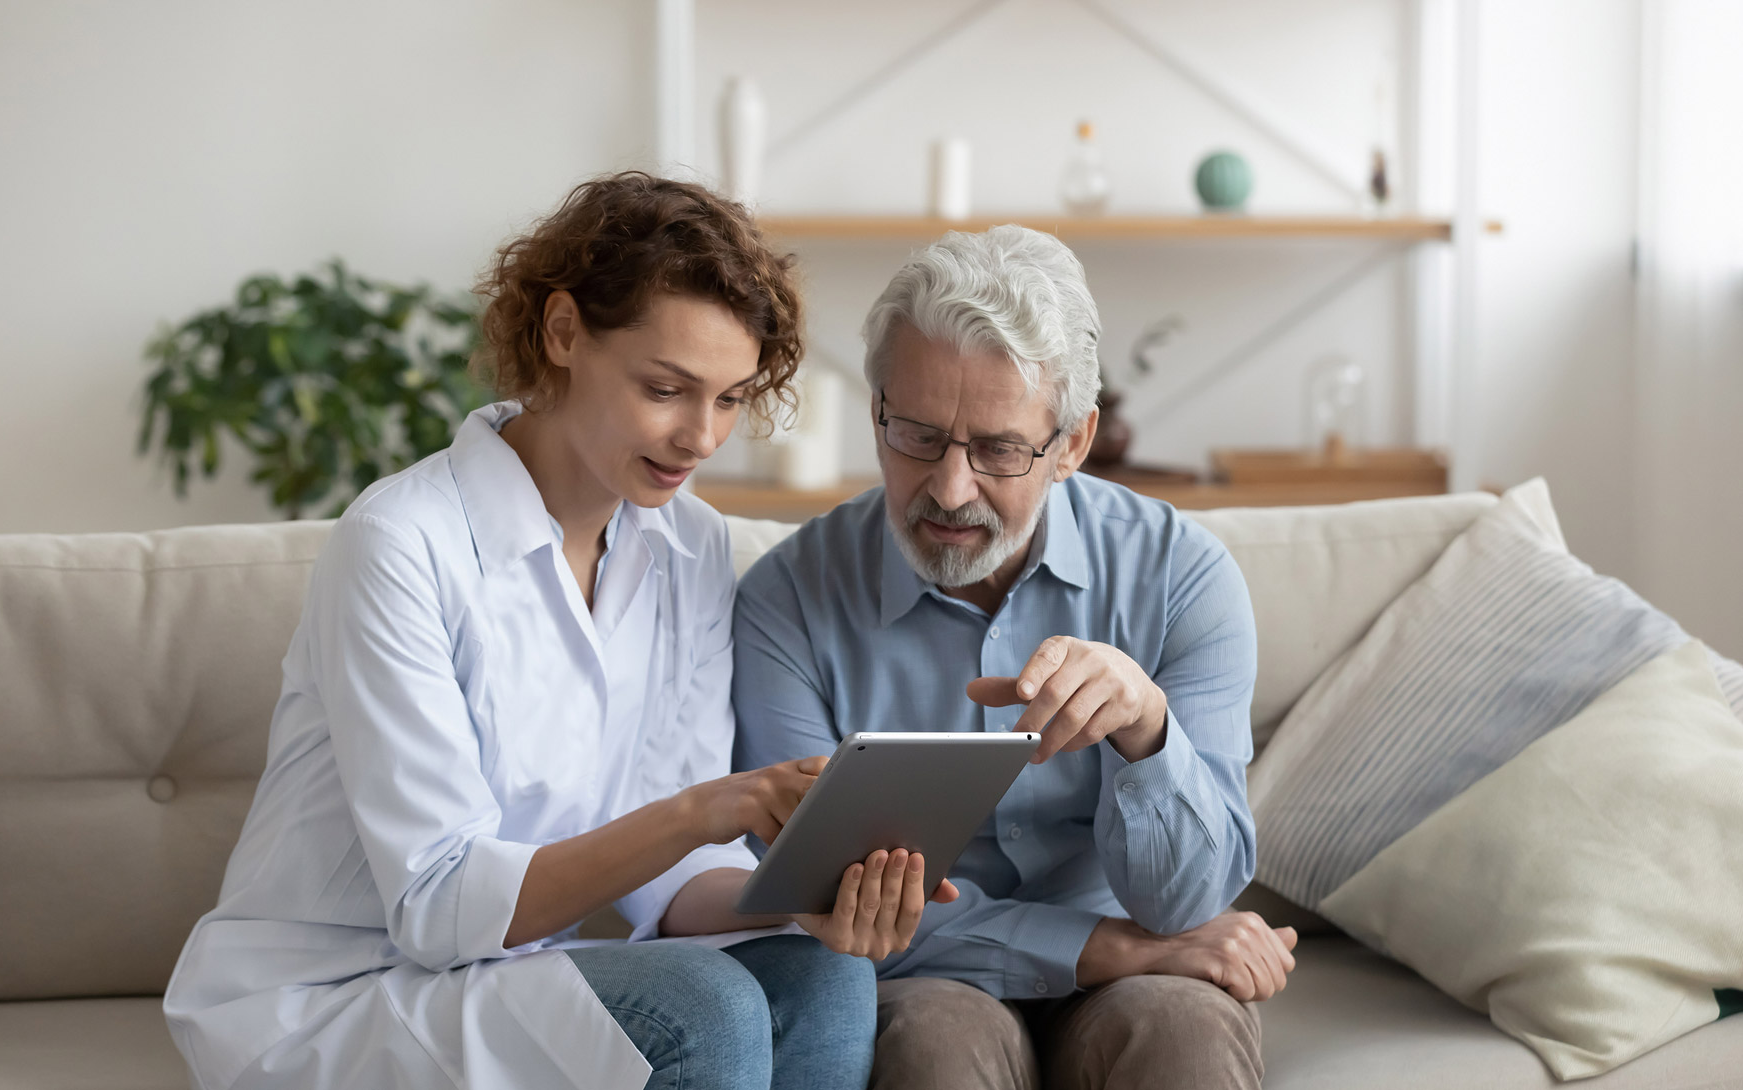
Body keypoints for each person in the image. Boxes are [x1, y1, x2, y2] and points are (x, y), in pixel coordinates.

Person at [164, 172, 952, 1090]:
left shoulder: (689, 544)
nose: (701, 437)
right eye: (667, 388)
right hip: (336, 995)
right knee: (707, 1005)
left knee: (823, 973)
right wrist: (713, 806)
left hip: (515, 981)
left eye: (732, 398)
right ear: (564, 331)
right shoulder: (401, 544)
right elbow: (438, 906)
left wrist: (805, 901)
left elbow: (667, 887)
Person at [731, 225, 1298, 1090]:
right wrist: (1100, 947)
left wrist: (1146, 730)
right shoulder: (788, 602)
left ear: (1072, 443)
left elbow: (1188, 904)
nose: (950, 490)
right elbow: (812, 903)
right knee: (931, 1049)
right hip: (928, 978)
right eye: (916, 435)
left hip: (1149, 970)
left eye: (998, 450)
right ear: (877, 408)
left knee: (1183, 1031)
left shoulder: (1182, 577)